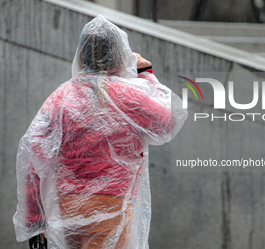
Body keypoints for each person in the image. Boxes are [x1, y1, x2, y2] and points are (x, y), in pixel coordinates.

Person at [13, 14, 188, 249]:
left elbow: (32, 160)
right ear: (121, 56)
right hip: (111, 206)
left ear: (81, 55)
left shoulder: (60, 98)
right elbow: (168, 121)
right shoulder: (129, 97)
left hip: (67, 208)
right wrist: (146, 73)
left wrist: (35, 224)